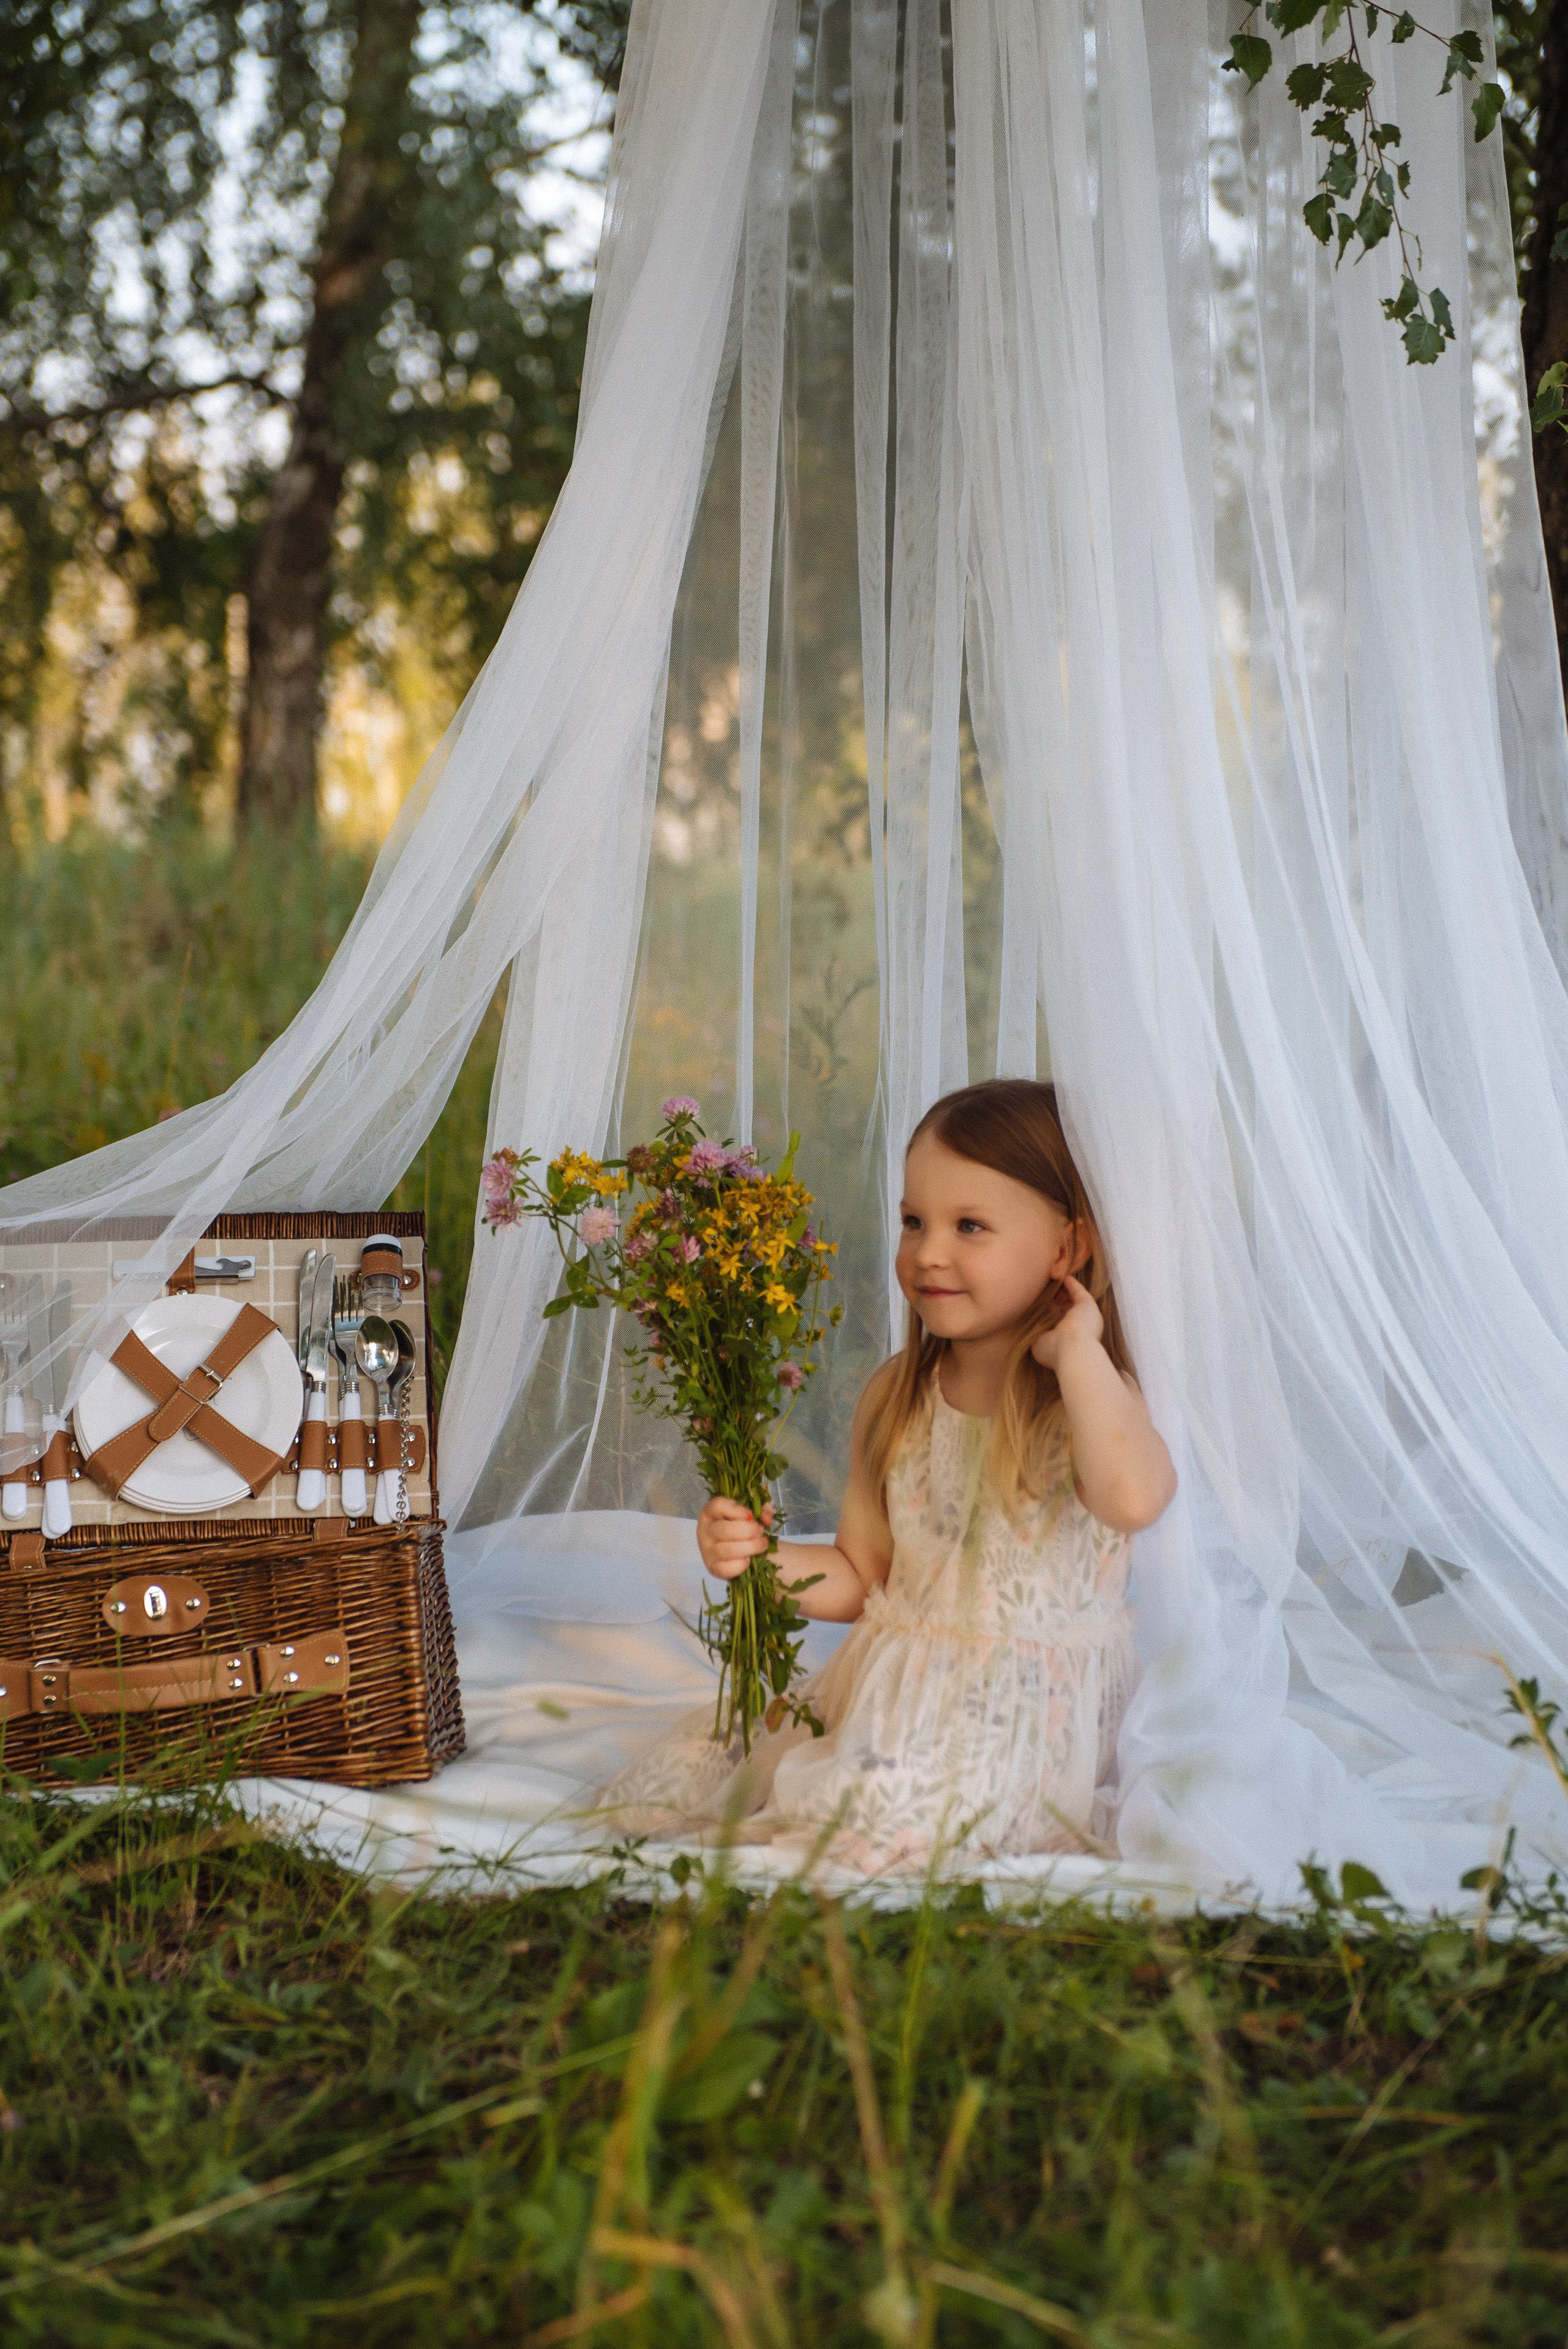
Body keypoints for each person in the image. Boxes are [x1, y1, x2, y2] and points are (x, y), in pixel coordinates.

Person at [594, 1079, 1177, 1869]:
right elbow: (861, 1576)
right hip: (896, 1684)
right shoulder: (898, 1396)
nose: (929, 1251)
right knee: (722, 1761)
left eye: (969, 1225)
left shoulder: (1084, 1397)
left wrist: (1077, 1350)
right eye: (914, 1221)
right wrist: (757, 1560)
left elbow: (1136, 1498)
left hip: (1027, 1713)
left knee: (871, 1810)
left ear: (1066, 1250)